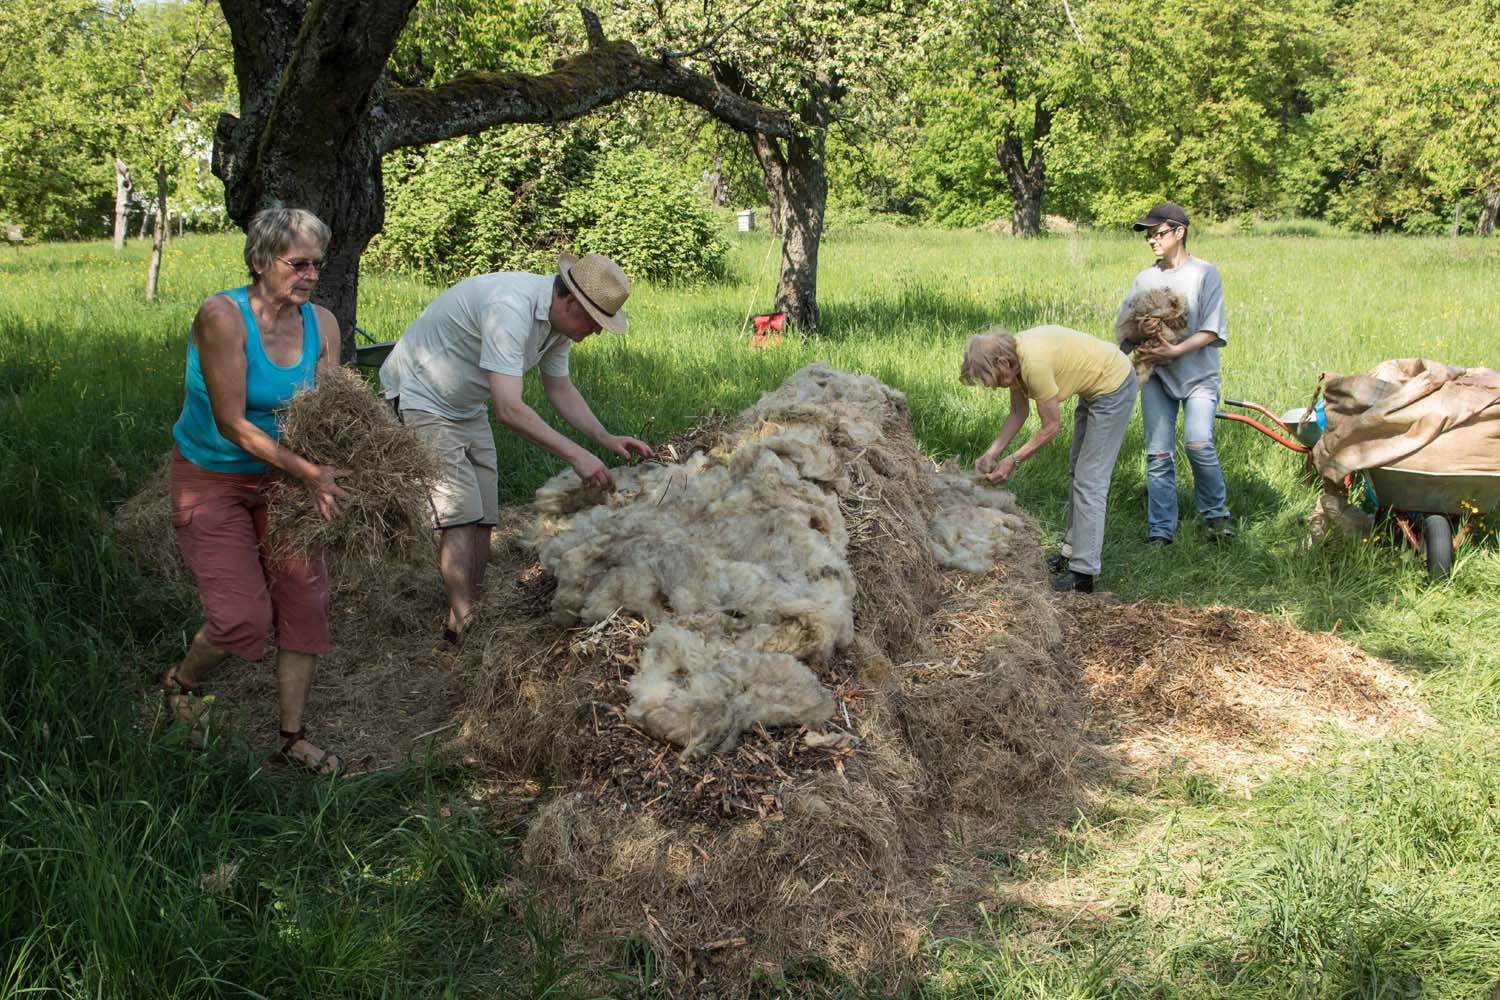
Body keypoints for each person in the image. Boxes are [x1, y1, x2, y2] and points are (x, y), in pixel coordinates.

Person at [379, 253, 654, 641]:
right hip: (422, 395)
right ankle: (464, 623)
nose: (596, 332)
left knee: (485, 513)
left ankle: (472, 608)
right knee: (459, 513)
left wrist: (603, 437)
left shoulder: (559, 326)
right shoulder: (509, 309)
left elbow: (559, 387)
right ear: (572, 302)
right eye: (595, 322)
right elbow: (509, 409)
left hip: (466, 403)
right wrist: (575, 454)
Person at [162, 206, 349, 774]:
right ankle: (182, 685)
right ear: (261, 261)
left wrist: (342, 468)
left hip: (285, 478)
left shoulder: (324, 324)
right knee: (242, 618)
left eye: (318, 264)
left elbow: (337, 412)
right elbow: (232, 424)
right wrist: (310, 472)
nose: (311, 275)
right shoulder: (222, 317)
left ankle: (291, 737)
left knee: (305, 601)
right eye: (299, 264)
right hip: (212, 475)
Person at [962, 325, 1137, 592]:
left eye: (994, 378)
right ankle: (1070, 552)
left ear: (1002, 362)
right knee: (1078, 472)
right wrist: (992, 452)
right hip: (1095, 388)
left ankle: (1083, 573)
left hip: (1113, 387)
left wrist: (1013, 460)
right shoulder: (1014, 361)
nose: (995, 386)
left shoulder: (1033, 364)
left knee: (1090, 480)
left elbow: (1051, 427)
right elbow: (1017, 414)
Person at [1118, 201, 1231, 544]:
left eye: (1158, 233)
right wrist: (1142, 332)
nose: (1152, 239)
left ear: (1179, 232)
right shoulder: (1145, 279)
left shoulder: (1204, 273)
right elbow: (1124, 331)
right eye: (1149, 235)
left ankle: (1217, 519)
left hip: (1198, 376)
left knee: (1198, 444)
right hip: (1155, 376)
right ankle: (1161, 531)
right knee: (1158, 454)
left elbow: (1212, 330)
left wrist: (1175, 350)